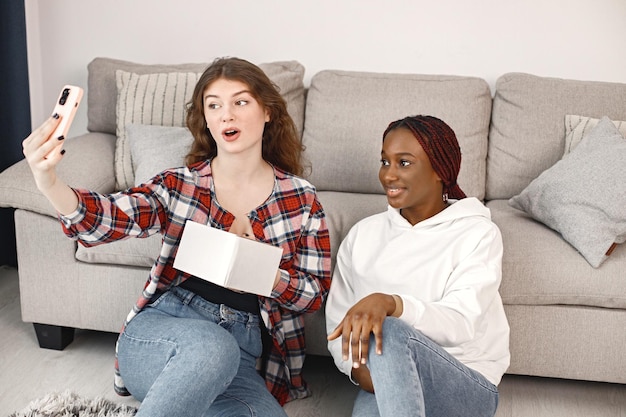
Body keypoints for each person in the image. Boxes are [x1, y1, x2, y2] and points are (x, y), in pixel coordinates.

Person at [22, 57, 331, 416]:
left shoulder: (301, 199)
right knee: (213, 347)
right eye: (214, 105)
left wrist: (265, 274)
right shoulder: (179, 185)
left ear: (267, 111)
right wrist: (50, 183)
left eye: (240, 102)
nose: (226, 115)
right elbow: (107, 219)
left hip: (242, 354)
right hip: (162, 334)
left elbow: (313, 294)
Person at [326, 115, 510, 417]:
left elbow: (461, 321)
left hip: (464, 384)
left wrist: (391, 304)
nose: (388, 175)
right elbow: (339, 321)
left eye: (404, 163)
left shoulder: (477, 234)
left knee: (391, 331)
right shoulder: (363, 234)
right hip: (383, 376)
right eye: (385, 162)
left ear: (440, 169)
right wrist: (358, 372)